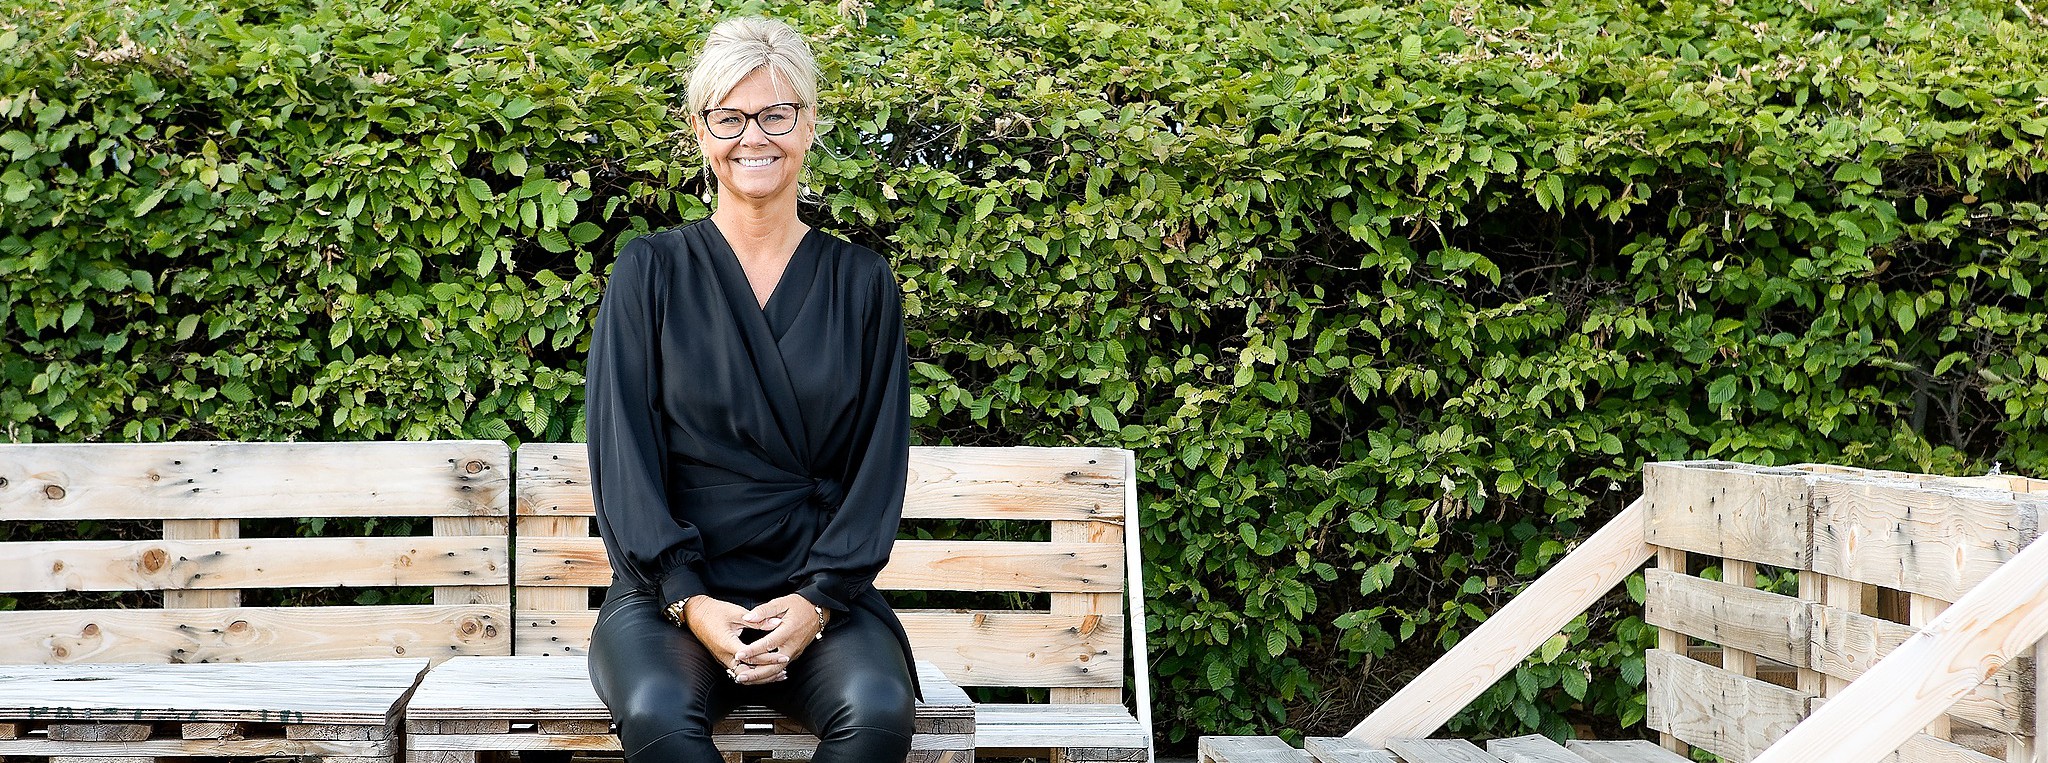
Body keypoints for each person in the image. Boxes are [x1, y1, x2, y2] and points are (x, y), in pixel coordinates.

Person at [582, 16, 917, 763]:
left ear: (809, 123)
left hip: (816, 588)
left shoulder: (862, 283)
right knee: (658, 712)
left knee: (877, 710)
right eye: (729, 117)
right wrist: (687, 597)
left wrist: (820, 600)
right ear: (700, 131)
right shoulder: (649, 272)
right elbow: (623, 455)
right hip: (670, 595)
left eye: (775, 115)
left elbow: (878, 464)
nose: (752, 137)